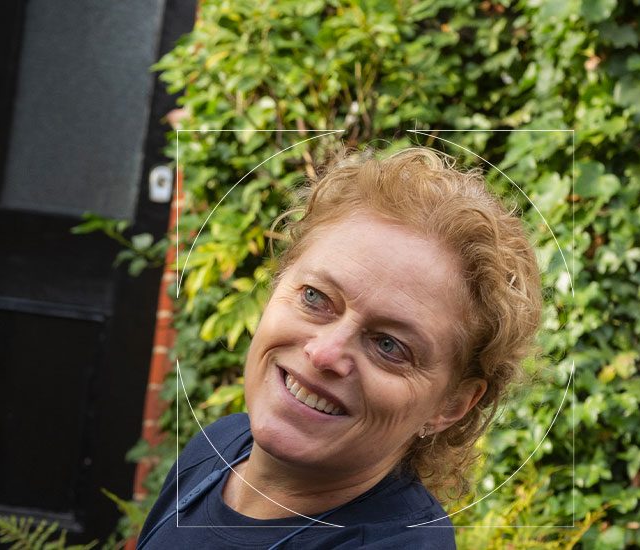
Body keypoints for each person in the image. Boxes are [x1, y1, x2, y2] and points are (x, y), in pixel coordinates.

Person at [137, 147, 543, 549]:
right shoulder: (221, 446)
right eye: (315, 297)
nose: (324, 353)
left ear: (452, 405)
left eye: (390, 346)